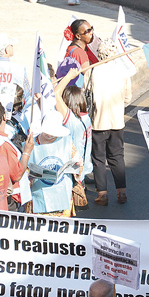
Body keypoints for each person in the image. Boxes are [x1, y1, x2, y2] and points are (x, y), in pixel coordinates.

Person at [88, 38, 131, 206]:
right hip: (117, 121)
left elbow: (87, 95)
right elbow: (128, 97)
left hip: (98, 122)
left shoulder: (92, 71)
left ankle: (102, 194)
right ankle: (121, 192)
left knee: (99, 158)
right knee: (117, 156)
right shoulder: (123, 71)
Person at [55, 69, 93, 210]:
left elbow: (55, 94)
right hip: (82, 168)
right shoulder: (86, 118)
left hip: (72, 170)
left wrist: (68, 77)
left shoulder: (71, 120)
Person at [29, 110, 76, 216]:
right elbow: (23, 168)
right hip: (38, 198)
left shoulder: (67, 143)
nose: (49, 135)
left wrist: (77, 165)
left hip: (62, 197)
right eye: (47, 131)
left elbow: (77, 164)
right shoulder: (30, 144)